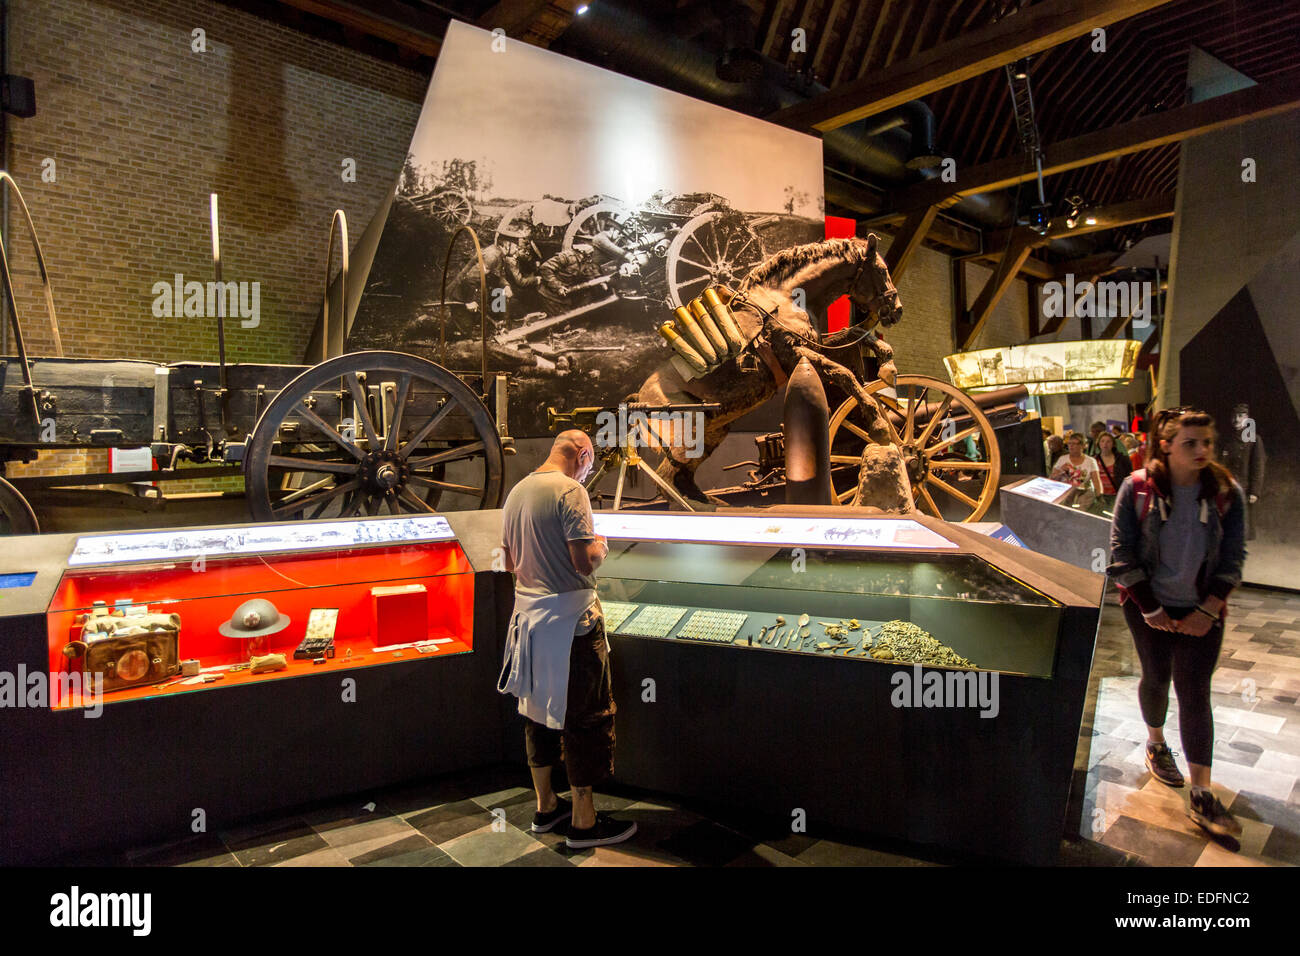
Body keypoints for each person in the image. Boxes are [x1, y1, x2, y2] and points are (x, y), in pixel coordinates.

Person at [1107, 407, 1247, 838]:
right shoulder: (1137, 489)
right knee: (1156, 676)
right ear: (1166, 446)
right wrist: (1151, 608)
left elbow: (1232, 558)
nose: (1203, 450)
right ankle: (1155, 744)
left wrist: (1207, 610)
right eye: (1191, 443)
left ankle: (1202, 795)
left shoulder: (1226, 491)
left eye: (1207, 442)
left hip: (1201, 609)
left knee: (1193, 690)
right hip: (1148, 606)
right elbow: (1121, 554)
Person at [498, 430, 637, 849]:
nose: (589, 471)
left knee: (536, 711)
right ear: (583, 454)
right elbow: (582, 563)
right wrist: (602, 547)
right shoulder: (570, 490)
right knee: (585, 716)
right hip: (572, 624)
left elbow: (508, 562)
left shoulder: (517, 491)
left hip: (529, 621)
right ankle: (584, 822)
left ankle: (546, 806)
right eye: (590, 464)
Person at [1218, 402, 1265, 540]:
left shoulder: (1254, 440)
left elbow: (1258, 467)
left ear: (1247, 419)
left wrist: (1255, 491)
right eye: (1234, 416)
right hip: (1228, 488)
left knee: (1241, 528)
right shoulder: (1227, 440)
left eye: (1240, 416)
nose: (1237, 419)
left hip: (1243, 489)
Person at [1050, 431, 1102, 496]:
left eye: (1074, 443)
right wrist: (1061, 470)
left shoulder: (1091, 461)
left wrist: (1099, 496)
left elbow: (1096, 481)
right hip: (1064, 496)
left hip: (1083, 496)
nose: (1071, 446)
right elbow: (1051, 478)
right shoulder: (1062, 459)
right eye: (1069, 443)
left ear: (1083, 445)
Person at [1094, 430, 1133, 498]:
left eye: (1108, 441)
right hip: (1099, 497)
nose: (1105, 444)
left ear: (1113, 444)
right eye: (1102, 441)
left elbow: (1129, 478)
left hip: (1117, 495)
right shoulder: (1093, 460)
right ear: (1099, 443)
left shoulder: (1122, 460)